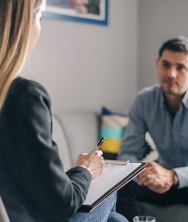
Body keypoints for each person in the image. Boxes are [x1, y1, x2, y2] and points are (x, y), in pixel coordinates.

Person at [0, 1, 128, 222]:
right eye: (40, 18)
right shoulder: (23, 97)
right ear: (23, 24)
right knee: (109, 188)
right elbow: (62, 204)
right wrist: (85, 170)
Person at [116, 36, 188, 222]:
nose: (171, 74)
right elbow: (128, 154)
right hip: (161, 182)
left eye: (180, 68)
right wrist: (145, 175)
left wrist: (175, 176)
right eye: (166, 65)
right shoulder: (144, 100)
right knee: (120, 186)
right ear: (157, 64)